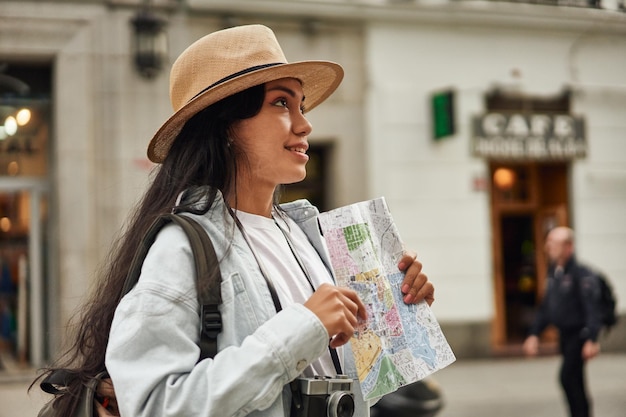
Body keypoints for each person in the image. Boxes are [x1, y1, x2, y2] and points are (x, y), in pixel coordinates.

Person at [35, 24, 435, 417]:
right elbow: (154, 404)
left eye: (302, 105)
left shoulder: (308, 235)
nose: (304, 124)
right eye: (281, 103)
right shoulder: (182, 248)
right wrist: (303, 327)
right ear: (225, 125)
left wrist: (398, 313)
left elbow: (364, 375)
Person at [523, 226, 602, 417]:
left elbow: (592, 308)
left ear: (568, 247)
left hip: (579, 335)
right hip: (565, 337)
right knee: (575, 381)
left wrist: (592, 338)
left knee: (567, 378)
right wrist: (534, 333)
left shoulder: (581, 274)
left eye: (553, 243)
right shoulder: (554, 272)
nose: (548, 247)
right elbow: (547, 308)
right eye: (548, 242)